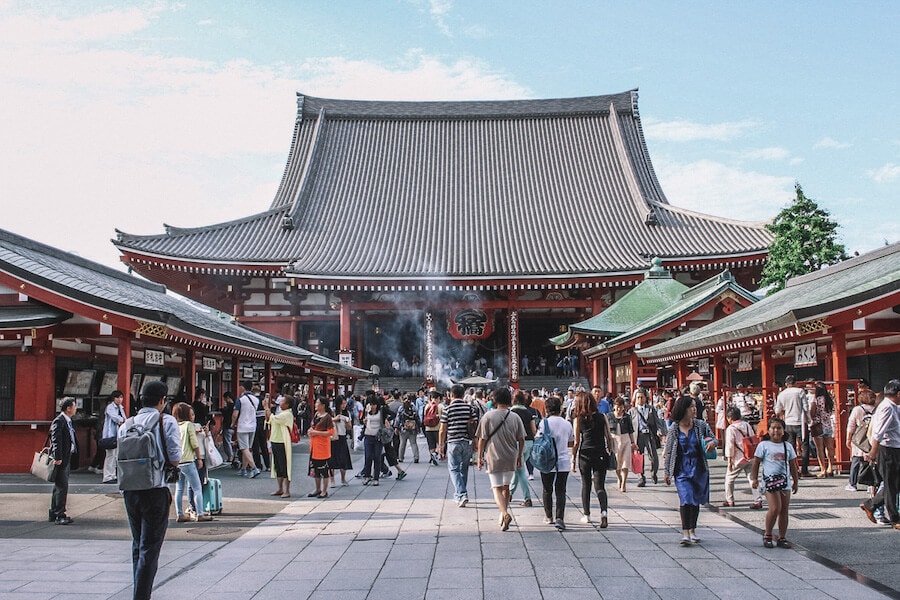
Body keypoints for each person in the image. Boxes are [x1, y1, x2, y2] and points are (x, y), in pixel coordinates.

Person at [120, 380, 181, 600]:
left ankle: (139, 590)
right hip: (156, 489)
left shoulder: (126, 425)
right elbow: (175, 457)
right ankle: (141, 596)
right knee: (150, 548)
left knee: (138, 545)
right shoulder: (167, 421)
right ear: (163, 400)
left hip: (130, 491)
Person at [663, 394, 716, 546]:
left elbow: (714, 438)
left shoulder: (700, 426)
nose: (694, 409)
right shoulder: (674, 428)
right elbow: (669, 450)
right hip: (681, 469)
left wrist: (712, 443)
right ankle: (685, 532)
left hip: (698, 468)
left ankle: (693, 530)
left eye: (695, 406)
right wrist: (667, 471)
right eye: (691, 407)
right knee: (686, 498)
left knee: (695, 501)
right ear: (683, 409)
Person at [476, 388, 526, 531]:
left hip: (493, 456)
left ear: (494, 399)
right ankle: (502, 516)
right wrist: (519, 455)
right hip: (511, 455)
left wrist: (479, 457)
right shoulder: (515, 417)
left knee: (496, 488)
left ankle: (504, 513)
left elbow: (482, 439)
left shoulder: (488, 416)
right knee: (506, 487)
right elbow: (521, 439)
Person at [751, 418, 800, 548]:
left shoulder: (787, 446)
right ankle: (768, 534)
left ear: (783, 431)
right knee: (774, 508)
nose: (776, 431)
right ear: (768, 430)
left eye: (779, 428)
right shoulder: (764, 445)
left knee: (784, 510)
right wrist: (754, 478)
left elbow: (793, 465)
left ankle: (782, 537)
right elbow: (756, 462)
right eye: (773, 428)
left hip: (784, 482)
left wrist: (795, 481)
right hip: (770, 482)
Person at [572, 390, 613, 527]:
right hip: (600, 452)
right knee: (600, 486)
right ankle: (604, 513)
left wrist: (573, 458)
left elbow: (577, 441)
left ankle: (587, 515)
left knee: (586, 485)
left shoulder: (578, 419)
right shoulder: (602, 417)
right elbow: (608, 436)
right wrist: (610, 451)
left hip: (585, 454)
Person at [535, 396, 574, 530]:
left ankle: (548, 516)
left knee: (547, 489)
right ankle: (560, 518)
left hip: (547, 461)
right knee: (561, 490)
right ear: (560, 409)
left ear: (547, 409)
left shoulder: (544, 423)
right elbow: (571, 441)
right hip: (563, 461)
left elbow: (538, 439)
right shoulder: (567, 423)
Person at [866, 380, 900, 530]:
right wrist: (873, 451)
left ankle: (871, 504)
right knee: (891, 484)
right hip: (888, 449)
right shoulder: (887, 407)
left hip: (895, 447)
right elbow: (878, 431)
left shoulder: (893, 406)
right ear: (898, 394)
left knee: (895, 483)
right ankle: (894, 518)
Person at [172, 403, 213, 523]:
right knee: (197, 488)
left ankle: (179, 514)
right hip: (189, 460)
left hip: (177, 461)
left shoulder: (175, 426)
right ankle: (200, 514)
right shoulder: (189, 425)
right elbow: (194, 444)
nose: (193, 416)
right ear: (186, 414)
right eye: (191, 413)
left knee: (179, 489)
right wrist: (199, 458)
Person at [439, 384, 478, 507]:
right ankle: (459, 495)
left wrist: (440, 446)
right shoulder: (470, 408)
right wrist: (476, 442)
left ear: (451, 395)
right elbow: (474, 427)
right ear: (463, 395)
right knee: (464, 469)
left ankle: (462, 493)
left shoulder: (447, 409)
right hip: (467, 442)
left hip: (453, 442)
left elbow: (442, 429)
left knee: (454, 469)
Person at [722, 408, 764, 509]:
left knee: (730, 478)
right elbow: (753, 437)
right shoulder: (747, 424)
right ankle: (758, 499)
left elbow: (730, 446)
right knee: (752, 478)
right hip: (750, 455)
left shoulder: (731, 429)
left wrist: (729, 461)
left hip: (738, 458)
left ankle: (730, 499)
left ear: (730, 418)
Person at [49, 397, 78, 525]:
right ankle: (59, 514)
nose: (75, 409)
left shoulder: (68, 421)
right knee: (62, 486)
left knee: (59, 486)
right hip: (62, 458)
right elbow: (56, 439)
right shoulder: (59, 421)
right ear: (68, 408)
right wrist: (58, 457)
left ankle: (54, 511)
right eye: (74, 406)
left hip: (66, 456)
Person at [509, 390, 536, 507]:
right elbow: (534, 430)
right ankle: (510, 493)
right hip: (529, 443)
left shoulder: (511, 412)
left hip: (516, 443)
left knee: (520, 471)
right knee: (518, 469)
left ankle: (527, 498)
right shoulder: (529, 412)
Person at [630, 388, 662, 487]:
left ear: (645, 398)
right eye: (638, 397)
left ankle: (653, 473)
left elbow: (657, 421)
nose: (639, 399)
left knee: (653, 456)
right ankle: (641, 477)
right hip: (638, 435)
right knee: (639, 457)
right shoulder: (632, 411)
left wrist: (659, 430)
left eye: (641, 397)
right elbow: (630, 424)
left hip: (649, 434)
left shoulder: (650, 409)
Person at [846, 388, 877, 491]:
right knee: (870, 462)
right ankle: (870, 484)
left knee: (856, 461)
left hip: (859, 438)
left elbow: (851, 425)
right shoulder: (876, 409)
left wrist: (848, 438)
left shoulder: (857, 409)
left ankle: (852, 483)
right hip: (871, 438)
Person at [266, 394, 294, 498]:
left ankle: (287, 490)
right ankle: (280, 488)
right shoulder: (281, 412)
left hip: (283, 442)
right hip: (275, 440)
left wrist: (266, 408)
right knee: (277, 466)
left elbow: (273, 418)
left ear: (287, 404)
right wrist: (267, 411)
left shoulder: (287, 414)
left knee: (285, 466)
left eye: (282, 401)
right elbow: (269, 419)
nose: (280, 403)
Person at [774, 375, 808, 458]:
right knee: (805, 444)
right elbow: (806, 407)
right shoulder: (800, 391)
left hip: (788, 422)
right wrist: (809, 419)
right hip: (801, 422)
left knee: (790, 446)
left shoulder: (782, 394)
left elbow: (777, 410)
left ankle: (793, 467)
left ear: (786, 384)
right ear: (795, 383)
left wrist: (784, 411)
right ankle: (804, 467)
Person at [231, 382, 261, 478]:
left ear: (243, 388)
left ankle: (254, 468)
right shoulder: (256, 400)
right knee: (247, 449)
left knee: (244, 448)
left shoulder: (241, 400)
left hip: (243, 426)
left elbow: (235, 413)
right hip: (253, 425)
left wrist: (232, 423)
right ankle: (243, 469)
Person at [608, 398, 638, 493]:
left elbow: (630, 431)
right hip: (614, 440)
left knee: (625, 463)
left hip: (625, 440)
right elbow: (607, 430)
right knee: (617, 464)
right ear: (614, 407)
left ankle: (624, 483)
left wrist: (633, 442)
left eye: (621, 407)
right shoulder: (609, 416)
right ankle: (619, 477)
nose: (619, 409)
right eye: (617, 407)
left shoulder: (627, 417)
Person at [809, 382, 837, 477]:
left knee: (819, 448)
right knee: (829, 448)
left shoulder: (816, 400)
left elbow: (812, 413)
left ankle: (823, 469)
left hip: (818, 425)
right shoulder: (829, 400)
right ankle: (830, 467)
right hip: (828, 425)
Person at [361, 392, 387, 487]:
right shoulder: (366, 412)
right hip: (368, 435)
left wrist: (386, 423)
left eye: (374, 404)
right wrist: (363, 421)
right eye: (370, 404)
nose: (372, 406)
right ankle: (367, 476)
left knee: (377, 457)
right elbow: (362, 421)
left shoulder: (381, 411)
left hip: (378, 437)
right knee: (368, 457)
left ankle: (376, 478)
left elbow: (391, 414)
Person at [307, 412, 334, 498]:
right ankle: (318, 489)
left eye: (318, 403)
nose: (316, 405)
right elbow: (312, 427)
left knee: (324, 470)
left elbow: (330, 432)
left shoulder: (327, 417)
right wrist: (310, 431)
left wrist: (317, 432)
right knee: (315, 470)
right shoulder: (316, 415)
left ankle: (324, 491)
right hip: (314, 446)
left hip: (323, 447)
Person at [102, 390, 126, 484]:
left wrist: (123, 420)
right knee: (110, 455)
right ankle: (107, 476)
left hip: (118, 435)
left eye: (121, 397)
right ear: (114, 398)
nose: (120, 399)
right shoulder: (110, 407)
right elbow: (116, 419)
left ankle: (113, 475)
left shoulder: (121, 408)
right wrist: (122, 420)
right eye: (118, 397)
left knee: (115, 455)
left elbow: (124, 419)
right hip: (110, 434)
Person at [329, 396, 353, 487]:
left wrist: (347, 422)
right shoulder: (332, 411)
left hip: (342, 436)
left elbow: (349, 427)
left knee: (343, 459)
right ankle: (332, 480)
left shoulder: (347, 413)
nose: (343, 405)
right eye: (342, 403)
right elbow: (326, 420)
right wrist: (334, 419)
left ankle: (343, 478)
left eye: (345, 403)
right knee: (331, 460)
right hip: (333, 437)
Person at [251, 386, 271, 473]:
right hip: (263, 423)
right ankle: (268, 465)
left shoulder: (251, 399)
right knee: (264, 445)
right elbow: (267, 410)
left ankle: (258, 466)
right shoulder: (263, 399)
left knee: (255, 445)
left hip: (254, 422)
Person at [396, 394, 422, 463]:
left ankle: (401, 458)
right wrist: (419, 426)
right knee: (413, 443)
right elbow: (417, 418)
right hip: (413, 428)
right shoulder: (414, 408)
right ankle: (416, 457)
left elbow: (398, 418)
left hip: (403, 428)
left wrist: (396, 427)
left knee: (402, 443)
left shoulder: (401, 408)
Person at [423, 391, 443, 466]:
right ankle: (436, 453)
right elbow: (443, 417)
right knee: (440, 443)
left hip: (428, 428)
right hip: (438, 428)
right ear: (438, 398)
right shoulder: (440, 406)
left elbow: (425, 416)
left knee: (431, 445)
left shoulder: (427, 406)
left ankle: (432, 458)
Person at [219, 392, 236, 464]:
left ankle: (230, 456)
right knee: (228, 441)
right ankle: (231, 456)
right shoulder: (235, 406)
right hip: (233, 426)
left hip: (228, 425)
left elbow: (226, 413)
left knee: (227, 442)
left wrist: (221, 409)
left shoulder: (230, 406)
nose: (225, 400)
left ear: (228, 398)